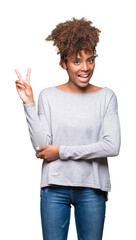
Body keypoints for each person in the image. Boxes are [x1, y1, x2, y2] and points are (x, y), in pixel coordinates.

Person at [15, 17, 121, 240]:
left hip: (92, 188)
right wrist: (29, 104)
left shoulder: (106, 97)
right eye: (77, 61)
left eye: (90, 60)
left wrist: (61, 151)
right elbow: (41, 146)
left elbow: (111, 146)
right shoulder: (49, 95)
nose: (85, 68)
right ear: (63, 63)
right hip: (54, 188)